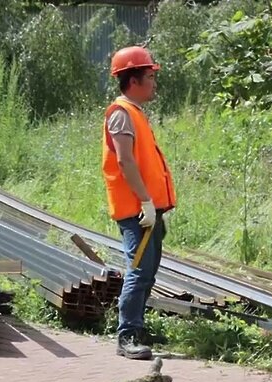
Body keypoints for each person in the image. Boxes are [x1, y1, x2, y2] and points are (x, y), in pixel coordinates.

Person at [102, 46, 176, 360]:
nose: (154, 83)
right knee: (138, 271)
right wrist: (145, 201)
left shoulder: (135, 113)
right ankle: (127, 336)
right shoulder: (120, 114)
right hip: (137, 211)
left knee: (148, 272)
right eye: (149, 76)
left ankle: (137, 326)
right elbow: (125, 162)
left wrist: (155, 205)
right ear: (133, 80)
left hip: (149, 209)